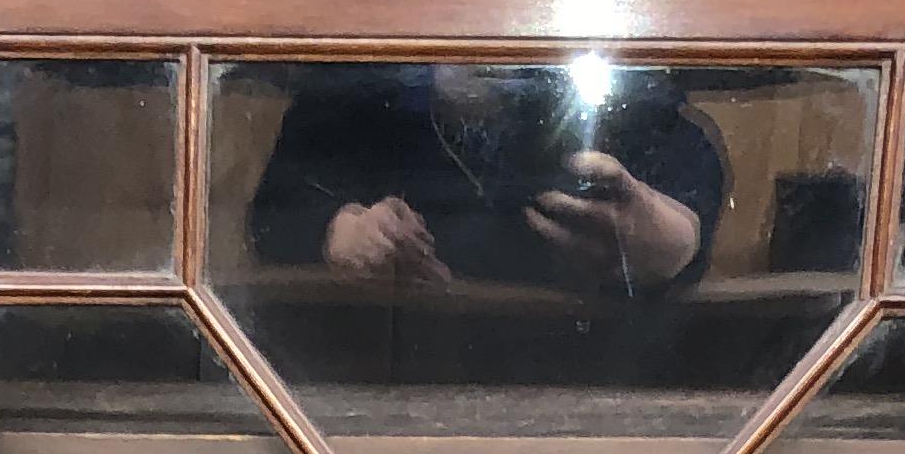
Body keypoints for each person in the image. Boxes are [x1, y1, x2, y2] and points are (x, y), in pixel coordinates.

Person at [246, 59, 725, 301]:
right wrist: (342, 234)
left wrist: (673, 242)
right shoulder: (361, 95)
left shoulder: (602, 97)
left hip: (592, 377)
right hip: (376, 381)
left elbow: (685, 162)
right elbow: (275, 211)